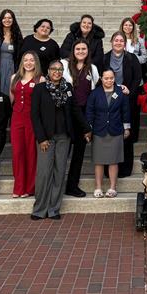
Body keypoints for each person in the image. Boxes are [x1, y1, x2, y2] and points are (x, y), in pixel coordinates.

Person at [30, 60, 92, 220]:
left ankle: (53, 209)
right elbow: (35, 115)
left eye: (60, 69)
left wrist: (86, 128)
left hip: (64, 136)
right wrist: (41, 138)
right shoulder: (39, 89)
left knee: (59, 172)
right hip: (46, 138)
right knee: (44, 173)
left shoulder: (68, 88)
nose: (57, 72)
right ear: (48, 71)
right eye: (54, 69)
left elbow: (75, 110)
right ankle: (39, 209)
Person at [61, 40, 100, 198]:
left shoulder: (93, 68)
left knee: (79, 153)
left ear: (88, 51)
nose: (81, 51)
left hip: (83, 115)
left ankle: (72, 186)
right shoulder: (64, 65)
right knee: (63, 152)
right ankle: (56, 185)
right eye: (78, 48)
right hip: (66, 113)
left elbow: (96, 90)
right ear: (73, 50)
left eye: (84, 49)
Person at [103, 33, 143, 178]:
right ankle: (108, 168)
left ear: (125, 43)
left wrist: (129, 91)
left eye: (121, 40)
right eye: (116, 40)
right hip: (109, 100)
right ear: (111, 41)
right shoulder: (105, 58)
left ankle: (125, 168)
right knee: (110, 135)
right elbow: (100, 77)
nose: (118, 43)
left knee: (126, 135)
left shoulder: (131, 58)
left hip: (127, 100)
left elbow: (138, 77)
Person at [86, 69, 131, 198]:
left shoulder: (120, 92)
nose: (109, 80)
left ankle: (112, 188)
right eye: (106, 78)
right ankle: (98, 188)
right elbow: (89, 112)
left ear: (114, 78)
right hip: (99, 131)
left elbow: (125, 111)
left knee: (113, 161)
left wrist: (126, 128)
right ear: (101, 78)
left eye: (111, 78)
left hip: (115, 130)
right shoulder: (95, 93)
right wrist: (88, 129)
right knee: (99, 161)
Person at [9, 51, 43, 198]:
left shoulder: (40, 79)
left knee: (31, 152)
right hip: (17, 118)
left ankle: (30, 188)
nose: (28, 63)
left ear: (36, 62)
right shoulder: (14, 78)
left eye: (32, 60)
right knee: (18, 152)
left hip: (32, 119)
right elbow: (12, 99)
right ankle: (19, 188)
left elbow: (42, 102)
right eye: (26, 60)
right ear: (22, 62)